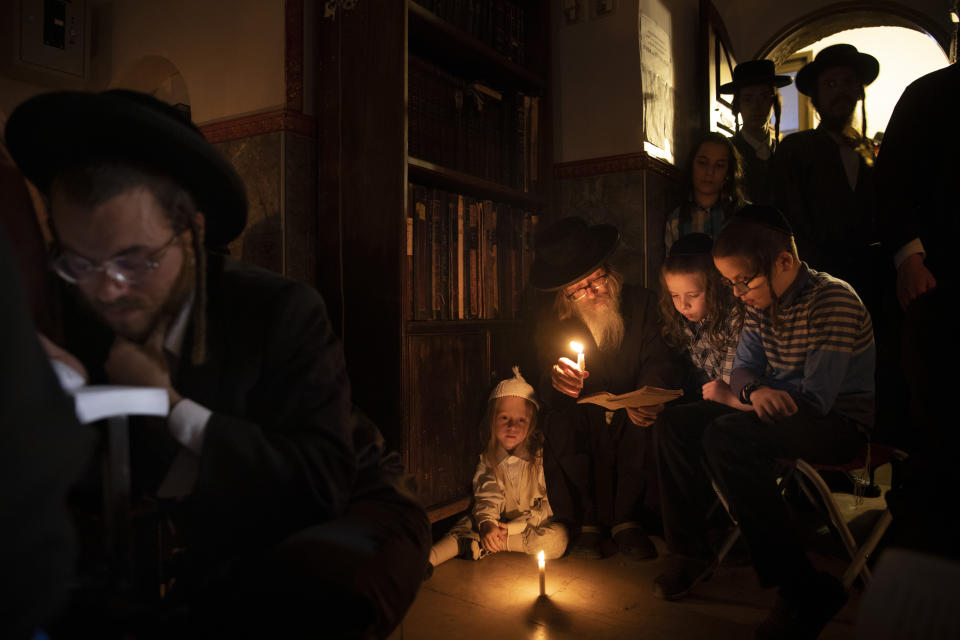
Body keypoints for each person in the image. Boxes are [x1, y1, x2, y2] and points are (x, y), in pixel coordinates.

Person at [4, 89, 429, 638]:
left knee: (296, 599)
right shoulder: (75, 310)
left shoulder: (280, 309)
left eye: (136, 260)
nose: (107, 291)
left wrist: (172, 406)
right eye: (80, 263)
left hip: (353, 502)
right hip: (206, 522)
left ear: (194, 234)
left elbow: (318, 482)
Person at [652, 205, 875, 640]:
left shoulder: (834, 302)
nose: (736, 293)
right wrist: (753, 392)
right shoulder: (760, 300)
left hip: (836, 423)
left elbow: (815, 401)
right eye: (730, 282)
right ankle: (689, 551)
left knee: (727, 437)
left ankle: (801, 588)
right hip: (775, 407)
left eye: (742, 281)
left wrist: (746, 398)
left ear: (784, 262)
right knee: (675, 425)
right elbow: (743, 370)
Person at [531, 217, 683, 560]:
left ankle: (627, 520)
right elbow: (546, 377)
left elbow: (659, 359)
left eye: (596, 278)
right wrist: (559, 381)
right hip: (586, 415)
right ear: (565, 295)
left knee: (643, 420)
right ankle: (588, 521)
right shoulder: (554, 322)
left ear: (608, 271)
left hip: (633, 412)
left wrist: (650, 394)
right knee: (562, 419)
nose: (593, 291)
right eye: (579, 288)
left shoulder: (642, 304)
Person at [874, 60, 960, 558]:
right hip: (939, 280)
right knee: (937, 410)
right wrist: (909, 255)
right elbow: (894, 181)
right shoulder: (929, 93)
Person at [770, 43, 882, 315]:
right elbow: (786, 224)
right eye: (830, 83)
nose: (840, 91)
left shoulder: (871, 154)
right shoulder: (794, 150)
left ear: (859, 91)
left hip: (871, 289)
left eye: (848, 82)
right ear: (816, 97)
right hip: (813, 291)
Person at [428, 367, 567, 571]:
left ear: (531, 423)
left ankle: (491, 545)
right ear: (491, 420)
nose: (513, 426)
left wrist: (510, 530)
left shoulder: (542, 458)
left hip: (530, 525)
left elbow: (548, 507)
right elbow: (487, 495)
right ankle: (428, 560)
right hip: (499, 521)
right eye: (504, 418)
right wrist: (488, 523)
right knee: (467, 523)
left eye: (521, 420)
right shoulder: (489, 458)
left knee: (558, 538)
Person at [658, 233, 747, 409]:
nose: (684, 305)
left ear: (714, 287)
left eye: (693, 295)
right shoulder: (685, 320)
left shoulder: (735, 316)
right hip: (708, 398)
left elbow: (731, 383)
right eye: (674, 295)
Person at [719, 60, 792, 204]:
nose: (756, 106)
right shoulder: (726, 151)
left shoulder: (785, 153)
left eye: (764, 97)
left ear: (773, 102)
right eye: (748, 99)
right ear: (738, 105)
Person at [664, 132, 746, 253]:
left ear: (728, 173)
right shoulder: (677, 219)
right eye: (702, 163)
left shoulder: (743, 215)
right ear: (692, 165)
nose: (709, 172)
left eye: (719, 165)